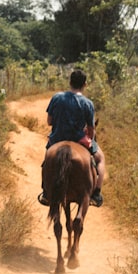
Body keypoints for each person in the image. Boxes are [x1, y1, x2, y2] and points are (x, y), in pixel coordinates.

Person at [38, 68, 106, 207]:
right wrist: (90, 140)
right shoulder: (88, 103)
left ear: (70, 82)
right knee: (100, 158)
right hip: (79, 139)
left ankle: (46, 191)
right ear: (84, 84)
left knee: (47, 158)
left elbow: (49, 121)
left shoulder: (57, 97)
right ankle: (96, 193)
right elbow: (91, 130)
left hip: (57, 138)